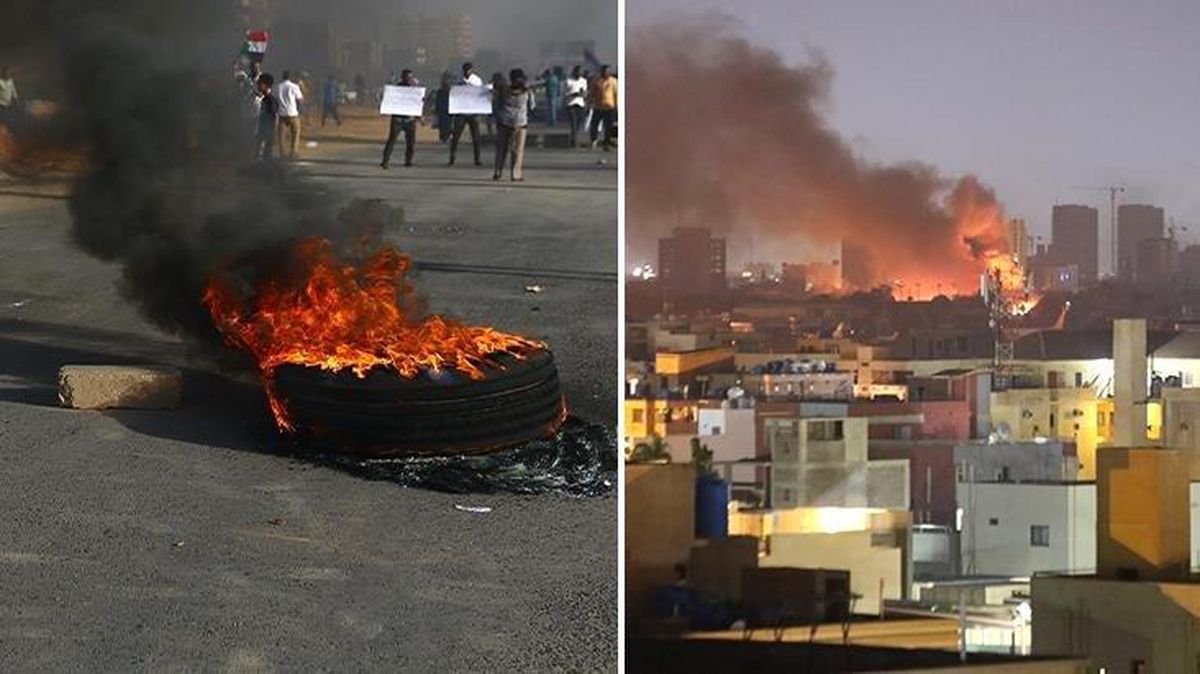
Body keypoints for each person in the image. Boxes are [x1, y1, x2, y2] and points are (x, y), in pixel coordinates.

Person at [493, 68, 535, 182]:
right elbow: (532, 106)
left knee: (501, 149)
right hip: (521, 123)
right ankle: (515, 174)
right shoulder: (527, 92)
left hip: (504, 122)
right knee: (518, 150)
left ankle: (498, 172)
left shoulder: (503, 91)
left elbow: (496, 105)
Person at [381, 69, 421, 169]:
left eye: (410, 77)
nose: (408, 79)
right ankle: (385, 160)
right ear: (402, 77)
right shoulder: (396, 89)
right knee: (391, 140)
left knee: (411, 143)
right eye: (407, 77)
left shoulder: (414, 89)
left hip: (410, 120)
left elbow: (418, 103)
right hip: (398, 119)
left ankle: (408, 160)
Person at [448, 62, 484, 166]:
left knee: (476, 137)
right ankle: (452, 157)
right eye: (465, 70)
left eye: (469, 70)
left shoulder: (477, 80)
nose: (467, 72)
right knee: (456, 136)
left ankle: (477, 159)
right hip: (461, 111)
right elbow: (453, 93)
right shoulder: (457, 80)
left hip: (473, 112)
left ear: (472, 70)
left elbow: (480, 94)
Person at [275, 70, 304, 159]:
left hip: (282, 114)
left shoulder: (278, 87)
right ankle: (293, 152)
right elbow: (300, 100)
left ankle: (282, 153)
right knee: (295, 133)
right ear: (290, 77)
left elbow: (275, 99)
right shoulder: (294, 86)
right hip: (292, 113)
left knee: (281, 135)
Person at [589, 64, 617, 151]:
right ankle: (593, 140)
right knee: (594, 125)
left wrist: (617, 106)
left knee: (608, 126)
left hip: (609, 107)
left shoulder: (613, 81)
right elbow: (592, 93)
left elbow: (616, 94)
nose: (606, 73)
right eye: (604, 71)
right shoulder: (596, 81)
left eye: (608, 71)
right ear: (601, 72)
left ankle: (607, 143)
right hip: (598, 107)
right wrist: (590, 102)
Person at [254, 73, 279, 161]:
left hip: (267, 134)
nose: (257, 86)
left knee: (265, 157)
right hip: (263, 132)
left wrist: (274, 134)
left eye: (259, 84)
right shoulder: (265, 98)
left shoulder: (270, 100)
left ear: (266, 85)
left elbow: (275, 116)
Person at [563, 65, 587, 148]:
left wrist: (582, 94)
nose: (579, 73)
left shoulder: (583, 81)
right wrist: (574, 94)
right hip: (571, 104)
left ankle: (574, 138)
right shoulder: (568, 81)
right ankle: (574, 142)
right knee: (573, 123)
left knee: (578, 124)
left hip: (580, 104)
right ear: (574, 72)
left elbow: (585, 93)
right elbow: (565, 94)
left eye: (580, 72)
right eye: (578, 72)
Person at [435, 71, 453, 142]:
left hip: (450, 109)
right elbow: (438, 101)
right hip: (442, 109)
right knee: (442, 124)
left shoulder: (452, 90)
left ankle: (449, 136)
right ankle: (443, 137)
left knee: (450, 123)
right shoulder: (439, 92)